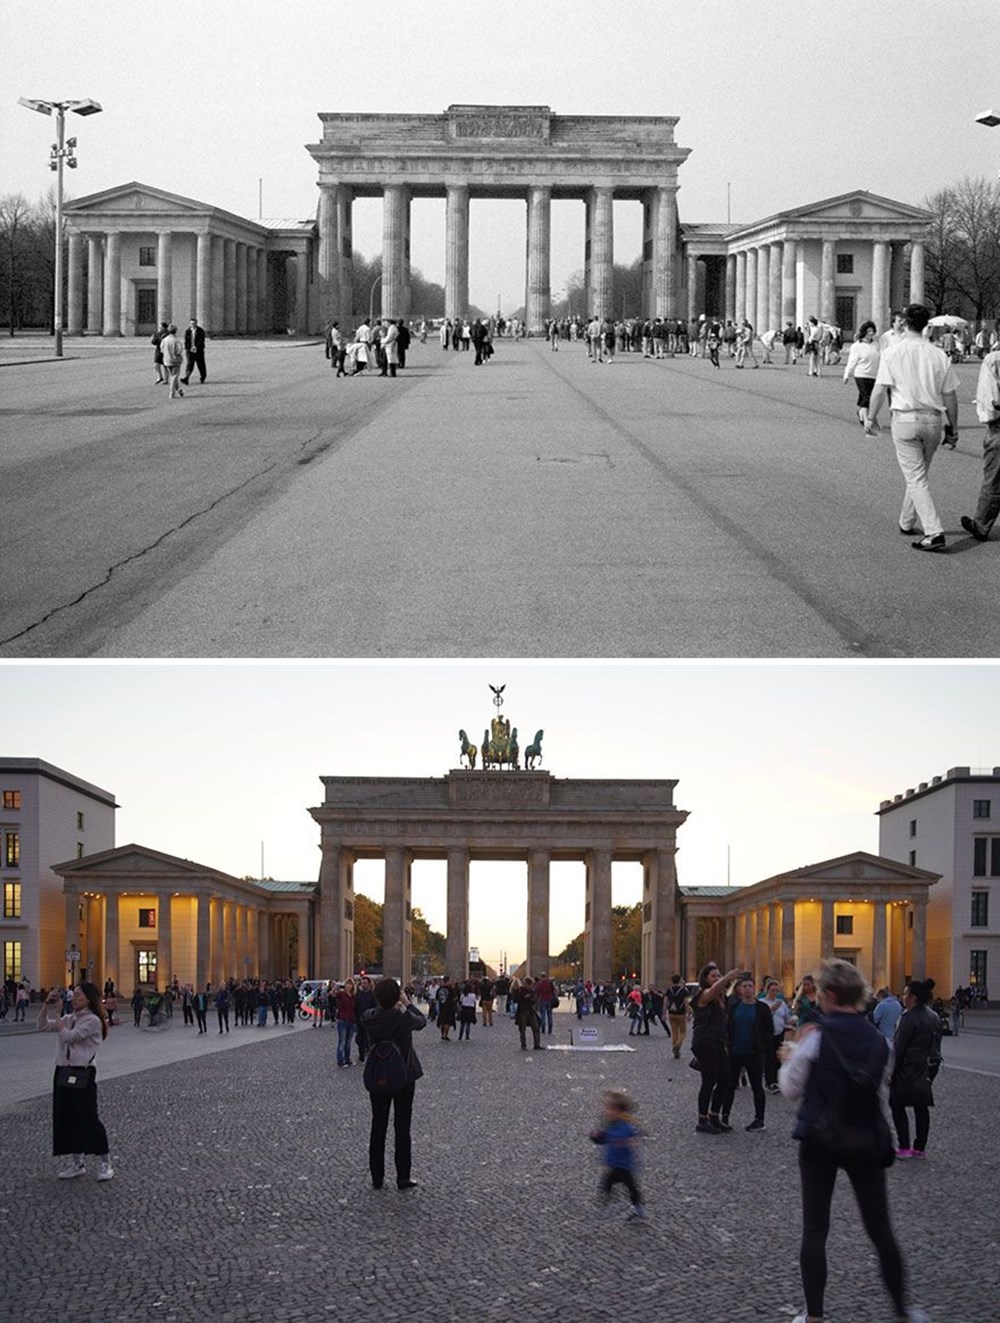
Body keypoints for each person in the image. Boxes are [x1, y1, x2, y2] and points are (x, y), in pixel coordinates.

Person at [779, 958, 927, 1323]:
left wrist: (789, 1056)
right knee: (881, 1230)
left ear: (828, 995)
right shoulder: (880, 1041)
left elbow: (789, 1088)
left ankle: (814, 1316)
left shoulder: (815, 1037)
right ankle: (902, 1309)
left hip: (820, 1137)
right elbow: (881, 1084)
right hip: (866, 1137)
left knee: (815, 1229)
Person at [865, 303, 960, 552]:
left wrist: (870, 418)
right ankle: (906, 521)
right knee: (918, 475)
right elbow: (950, 395)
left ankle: (933, 531)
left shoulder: (893, 352)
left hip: (905, 419)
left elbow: (879, 388)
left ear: (905, 323)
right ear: (926, 325)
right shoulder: (939, 355)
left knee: (916, 477)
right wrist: (954, 428)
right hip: (933, 421)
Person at [37, 981, 114, 1181]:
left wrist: (59, 1020)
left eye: (78, 994)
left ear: (88, 998)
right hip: (63, 1071)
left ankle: (105, 1162)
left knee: (88, 1117)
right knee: (67, 1117)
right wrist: (48, 1006)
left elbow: (71, 1037)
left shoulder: (93, 1020)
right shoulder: (70, 1018)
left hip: (83, 1073)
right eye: (74, 994)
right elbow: (42, 1026)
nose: (74, 997)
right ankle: (77, 1163)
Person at [362, 977, 426, 1190]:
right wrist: (406, 1003)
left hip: (378, 1074)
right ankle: (403, 1177)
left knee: (377, 1126)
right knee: (402, 1127)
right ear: (397, 995)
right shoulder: (403, 1018)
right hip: (403, 1076)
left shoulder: (369, 1017)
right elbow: (422, 1020)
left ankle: (377, 1178)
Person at [889, 978, 942, 1159]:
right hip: (927, 1068)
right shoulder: (933, 1016)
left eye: (905, 994)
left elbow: (899, 1048)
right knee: (921, 1107)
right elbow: (937, 1045)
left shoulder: (908, 1018)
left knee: (896, 1104)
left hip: (907, 1068)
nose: (903, 997)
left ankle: (904, 1147)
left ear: (912, 997)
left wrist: (891, 1073)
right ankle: (920, 1148)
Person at [690, 962, 741, 1133]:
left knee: (726, 1080)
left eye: (719, 976)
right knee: (709, 1081)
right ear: (705, 979)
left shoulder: (721, 998)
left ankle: (714, 1115)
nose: (717, 978)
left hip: (718, 1042)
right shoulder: (703, 994)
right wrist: (727, 977)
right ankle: (702, 1120)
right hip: (705, 1042)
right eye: (714, 976)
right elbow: (712, 991)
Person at [960, 345, 1000, 542]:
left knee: (994, 478)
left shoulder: (994, 359)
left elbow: (991, 399)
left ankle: (981, 525)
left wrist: (989, 418)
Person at [722, 974, 771, 1130]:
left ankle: (759, 1119)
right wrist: (727, 1044)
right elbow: (728, 1026)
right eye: (745, 986)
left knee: (757, 1086)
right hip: (735, 1052)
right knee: (730, 1086)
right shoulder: (734, 1006)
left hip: (754, 1053)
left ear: (754, 988)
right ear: (740, 989)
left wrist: (762, 1045)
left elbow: (768, 1030)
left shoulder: (762, 1008)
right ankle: (725, 1117)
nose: (748, 989)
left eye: (750, 986)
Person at [590, 1089, 644, 1221]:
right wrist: (596, 1137)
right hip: (616, 1163)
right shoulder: (610, 1126)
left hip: (623, 1164)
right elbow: (604, 1139)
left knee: (609, 1184)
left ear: (619, 1111)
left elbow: (636, 1134)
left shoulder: (625, 1126)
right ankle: (638, 1209)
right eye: (606, 1108)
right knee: (630, 1187)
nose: (605, 1111)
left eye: (609, 1108)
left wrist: (628, 1142)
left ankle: (612, 1205)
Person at [842, 321, 880, 426]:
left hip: (874, 375)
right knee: (866, 396)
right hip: (861, 375)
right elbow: (852, 362)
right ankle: (866, 419)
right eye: (869, 331)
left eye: (872, 331)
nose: (871, 333)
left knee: (871, 396)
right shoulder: (857, 346)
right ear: (864, 332)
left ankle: (862, 413)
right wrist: (847, 374)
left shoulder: (876, 344)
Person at [665, 974, 689, 1059]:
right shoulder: (684, 991)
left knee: (674, 1032)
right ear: (679, 981)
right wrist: (688, 1013)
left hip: (671, 1013)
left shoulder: (669, 990)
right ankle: (677, 1046)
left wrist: (664, 1013)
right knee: (683, 1031)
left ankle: (674, 1046)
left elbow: (666, 1002)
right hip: (681, 1013)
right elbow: (686, 1003)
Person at [515, 975, 541, 1050]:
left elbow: (534, 1000)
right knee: (522, 1029)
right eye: (529, 984)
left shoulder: (531, 991)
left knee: (536, 1027)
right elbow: (516, 999)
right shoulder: (519, 990)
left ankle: (537, 1044)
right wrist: (524, 997)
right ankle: (523, 1045)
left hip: (530, 1011)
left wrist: (532, 999)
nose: (530, 986)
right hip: (522, 1011)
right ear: (525, 983)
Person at [335, 977, 357, 1065]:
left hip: (351, 1020)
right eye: (347, 984)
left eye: (350, 984)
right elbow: (333, 995)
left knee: (348, 1042)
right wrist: (334, 988)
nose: (349, 986)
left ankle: (347, 1058)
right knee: (342, 1041)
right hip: (342, 1020)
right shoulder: (341, 994)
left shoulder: (354, 996)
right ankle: (340, 1060)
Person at [161, 324, 185, 398]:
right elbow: (179, 351)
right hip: (175, 360)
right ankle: (172, 393)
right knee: (174, 376)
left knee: (172, 375)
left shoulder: (164, 340)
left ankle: (179, 389)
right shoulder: (176, 340)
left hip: (166, 360)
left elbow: (161, 349)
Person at [182, 318, 207, 384]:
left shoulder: (200, 331)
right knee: (189, 364)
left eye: (194, 323)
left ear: (196, 323)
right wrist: (188, 348)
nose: (192, 325)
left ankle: (202, 377)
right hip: (190, 351)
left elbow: (201, 341)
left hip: (198, 351)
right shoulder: (188, 331)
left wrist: (196, 348)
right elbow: (186, 341)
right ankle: (186, 378)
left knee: (200, 364)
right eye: (191, 323)